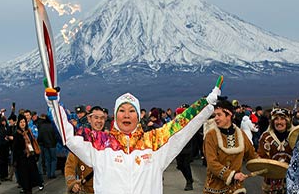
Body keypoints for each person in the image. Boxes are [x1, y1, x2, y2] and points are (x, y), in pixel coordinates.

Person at [45, 76, 223, 194]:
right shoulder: (99, 143)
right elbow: (69, 134)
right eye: (122, 110)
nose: (127, 114)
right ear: (116, 116)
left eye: (132, 111)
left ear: (138, 117)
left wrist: (207, 103)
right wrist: (54, 105)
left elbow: (182, 125)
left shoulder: (154, 142)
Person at [203, 99, 257, 194]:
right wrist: (232, 175)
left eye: (219, 115)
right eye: (215, 115)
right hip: (215, 188)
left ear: (229, 115)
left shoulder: (240, 134)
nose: (216, 118)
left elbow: (252, 155)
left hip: (236, 188)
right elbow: (212, 163)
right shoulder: (211, 136)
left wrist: (268, 165)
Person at [65, 106, 106, 194]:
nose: (99, 121)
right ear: (89, 118)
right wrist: (72, 183)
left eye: (102, 118)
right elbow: (70, 165)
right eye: (96, 117)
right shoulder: (81, 139)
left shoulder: (110, 141)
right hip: (87, 189)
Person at [257, 108, 292, 193]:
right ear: (272, 122)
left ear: (287, 121)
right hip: (270, 183)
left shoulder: (294, 137)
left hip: (290, 181)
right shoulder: (265, 138)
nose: (279, 122)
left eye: (282, 119)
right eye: (276, 119)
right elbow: (261, 158)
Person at [13, 115, 44, 193]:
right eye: (21, 122)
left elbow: (33, 143)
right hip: (22, 160)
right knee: (25, 179)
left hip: (30, 158)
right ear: (18, 123)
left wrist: (35, 154)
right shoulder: (17, 134)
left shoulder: (29, 131)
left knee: (31, 178)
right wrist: (16, 160)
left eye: (24, 122)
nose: (23, 123)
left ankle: (31, 188)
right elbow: (15, 149)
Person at [174, 105, 194, 191]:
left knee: (186, 165)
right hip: (178, 148)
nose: (177, 115)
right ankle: (189, 179)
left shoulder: (188, 123)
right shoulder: (174, 124)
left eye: (179, 113)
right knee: (180, 165)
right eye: (177, 114)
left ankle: (189, 182)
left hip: (187, 147)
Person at [38, 113, 57, 179]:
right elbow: (56, 135)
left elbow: (39, 137)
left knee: (47, 160)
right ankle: (53, 173)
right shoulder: (52, 126)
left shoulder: (41, 127)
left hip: (45, 146)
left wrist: (42, 144)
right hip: (52, 145)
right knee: (54, 159)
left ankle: (49, 174)